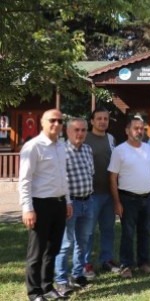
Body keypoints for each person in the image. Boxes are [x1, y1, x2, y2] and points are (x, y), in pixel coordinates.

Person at [19, 109, 72, 301]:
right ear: (42, 122)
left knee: (53, 249)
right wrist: (27, 208)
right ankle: (34, 293)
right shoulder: (33, 146)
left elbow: (63, 176)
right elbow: (25, 180)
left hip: (59, 204)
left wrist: (67, 201)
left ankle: (47, 287)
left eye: (60, 121)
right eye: (52, 120)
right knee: (37, 252)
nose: (56, 124)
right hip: (40, 205)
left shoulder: (61, 146)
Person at [108, 116, 150, 278]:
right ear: (127, 130)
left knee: (145, 232)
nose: (139, 131)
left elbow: (149, 171)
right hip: (128, 199)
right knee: (128, 234)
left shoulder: (147, 148)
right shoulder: (119, 151)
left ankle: (143, 263)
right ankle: (126, 265)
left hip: (146, 198)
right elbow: (112, 178)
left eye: (142, 128)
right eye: (136, 128)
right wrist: (117, 202)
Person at [54, 118, 95, 296]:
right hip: (70, 204)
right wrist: (66, 202)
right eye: (76, 130)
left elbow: (91, 173)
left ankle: (77, 275)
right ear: (68, 132)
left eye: (83, 130)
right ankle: (61, 280)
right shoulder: (61, 151)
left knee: (83, 241)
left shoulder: (87, 149)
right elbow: (59, 181)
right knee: (65, 243)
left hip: (88, 201)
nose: (80, 133)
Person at [84, 107, 119, 276]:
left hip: (109, 193)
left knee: (108, 229)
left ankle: (107, 260)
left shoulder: (111, 139)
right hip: (90, 194)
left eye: (105, 119)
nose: (102, 121)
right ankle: (85, 263)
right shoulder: (84, 137)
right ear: (92, 121)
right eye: (99, 118)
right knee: (88, 231)